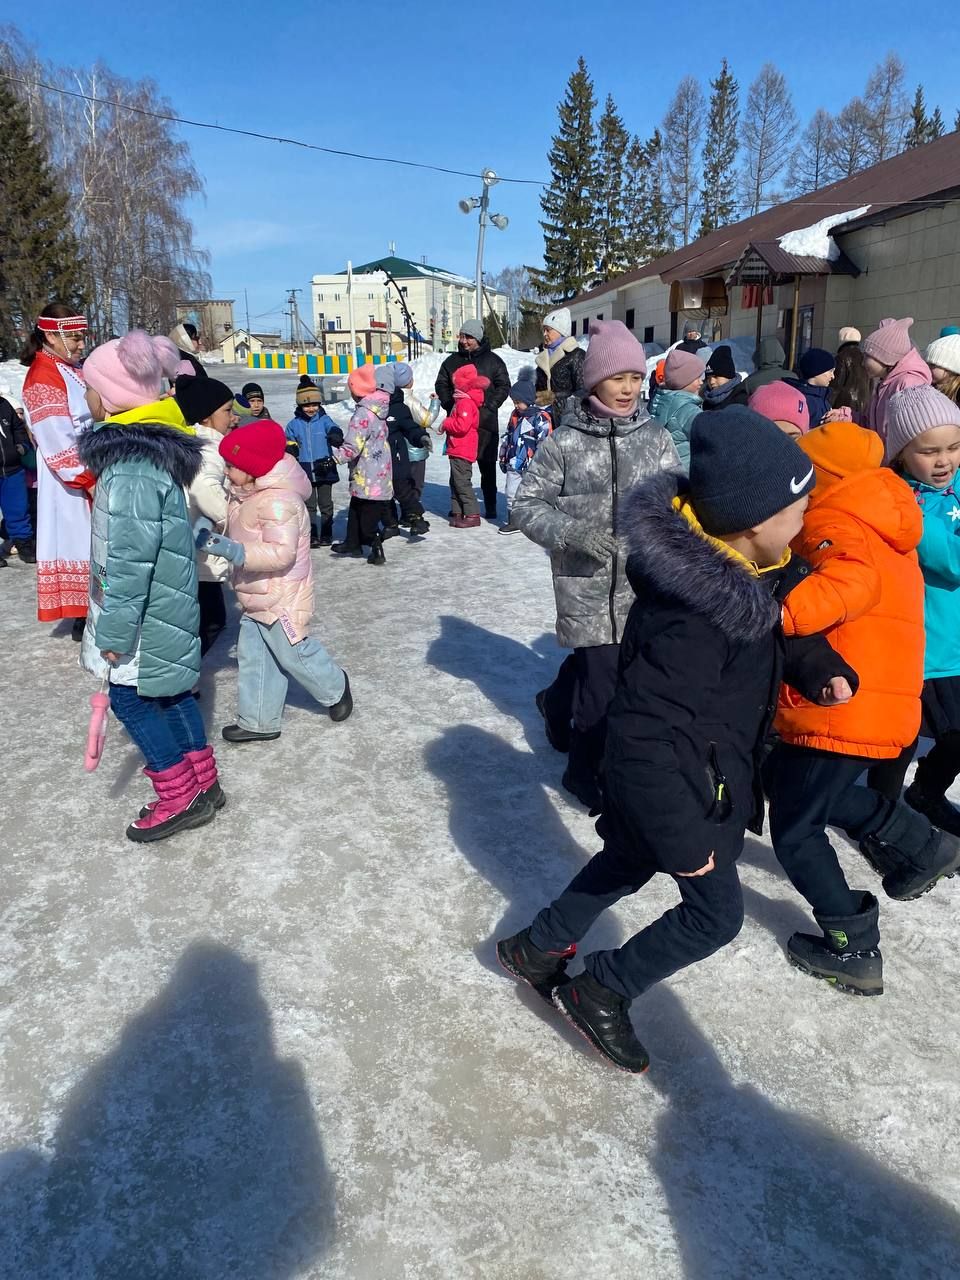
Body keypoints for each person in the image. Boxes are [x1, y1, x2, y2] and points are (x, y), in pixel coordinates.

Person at [497, 409, 847, 1072]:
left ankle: (538, 947)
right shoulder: (695, 618)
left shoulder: (749, 573)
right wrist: (686, 842)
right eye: (799, 510)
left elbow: (779, 634)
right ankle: (601, 990)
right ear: (752, 523)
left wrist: (821, 668)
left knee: (626, 859)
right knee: (714, 917)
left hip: (695, 771)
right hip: (677, 784)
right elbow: (644, 732)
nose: (807, 523)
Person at [765, 418, 960, 997]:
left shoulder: (834, 517)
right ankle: (927, 846)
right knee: (788, 781)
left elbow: (847, 585)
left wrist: (773, 603)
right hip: (882, 695)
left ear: (820, 477)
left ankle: (853, 944)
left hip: (845, 699)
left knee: (795, 831)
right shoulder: (884, 512)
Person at [513, 319, 680, 812]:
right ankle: (583, 771)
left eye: (635, 377)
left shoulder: (655, 438)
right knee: (602, 689)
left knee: (613, 676)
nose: (628, 388)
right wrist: (572, 534)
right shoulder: (564, 442)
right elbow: (525, 505)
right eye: (617, 378)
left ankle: (554, 701)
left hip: (643, 587)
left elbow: (678, 501)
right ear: (594, 382)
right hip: (584, 586)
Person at [77, 331, 221, 844]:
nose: (86, 398)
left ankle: (180, 794)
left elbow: (131, 559)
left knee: (133, 701)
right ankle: (203, 782)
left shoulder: (130, 469)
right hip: (162, 605)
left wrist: (112, 631)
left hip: (142, 615)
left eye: (91, 388)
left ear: (113, 396)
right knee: (172, 693)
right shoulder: (148, 456)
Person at [198, 419, 353, 742]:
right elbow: (241, 527)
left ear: (253, 468)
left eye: (232, 465)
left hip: (283, 594)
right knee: (256, 657)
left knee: (293, 654)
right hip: (255, 592)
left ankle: (335, 687)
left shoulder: (279, 501)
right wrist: (216, 531)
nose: (226, 472)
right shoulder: (245, 494)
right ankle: (259, 720)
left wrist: (233, 550)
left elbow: (281, 554)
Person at [868, 386, 960, 834]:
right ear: (903, 453)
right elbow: (950, 560)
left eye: (954, 447)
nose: (944, 461)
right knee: (901, 737)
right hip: (928, 647)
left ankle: (924, 793)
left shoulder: (956, 487)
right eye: (929, 452)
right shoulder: (908, 503)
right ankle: (880, 816)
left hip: (953, 643)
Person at [20, 303, 93, 637]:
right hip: (69, 483)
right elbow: (56, 439)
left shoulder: (69, 368)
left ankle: (96, 608)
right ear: (50, 335)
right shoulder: (43, 376)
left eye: (81, 337)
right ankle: (85, 615)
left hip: (87, 469)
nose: (81, 344)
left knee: (93, 542)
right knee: (79, 541)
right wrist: (86, 479)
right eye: (74, 338)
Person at [173, 376, 238, 657]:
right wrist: (234, 515)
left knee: (209, 617)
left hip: (192, 544)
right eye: (227, 410)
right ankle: (186, 681)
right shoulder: (209, 449)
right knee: (208, 622)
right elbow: (204, 488)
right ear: (207, 416)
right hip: (200, 548)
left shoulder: (194, 441)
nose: (233, 417)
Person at [435, 318, 510, 519]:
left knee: (487, 467)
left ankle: (491, 505)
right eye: (462, 336)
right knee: (458, 468)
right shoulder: (451, 361)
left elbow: (504, 385)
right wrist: (451, 405)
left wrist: (490, 404)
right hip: (461, 426)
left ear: (478, 337)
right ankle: (458, 507)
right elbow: (441, 384)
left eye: (469, 337)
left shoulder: (493, 360)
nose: (464, 341)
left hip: (485, 423)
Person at [330, 364, 392, 564]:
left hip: (367, 471)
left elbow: (353, 446)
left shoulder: (363, 414)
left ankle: (375, 545)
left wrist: (335, 457)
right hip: (379, 469)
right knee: (357, 506)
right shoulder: (379, 409)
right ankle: (352, 543)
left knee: (366, 515)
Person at [285, 376, 343, 548]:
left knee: (325, 504)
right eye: (307, 405)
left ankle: (326, 532)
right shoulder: (294, 424)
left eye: (314, 404)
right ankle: (312, 534)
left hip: (324, 467)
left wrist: (335, 434)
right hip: (305, 470)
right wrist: (291, 447)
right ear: (300, 406)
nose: (311, 408)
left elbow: (333, 428)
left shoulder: (324, 420)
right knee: (309, 506)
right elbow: (288, 439)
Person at [380, 363, 432, 539]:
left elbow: (414, 425)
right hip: (381, 460)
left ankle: (415, 518)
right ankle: (391, 523)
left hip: (399, 456)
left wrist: (420, 437)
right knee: (385, 493)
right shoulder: (375, 407)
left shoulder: (400, 404)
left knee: (405, 489)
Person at [861, 317, 931, 442]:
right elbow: (871, 423)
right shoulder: (883, 382)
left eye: (867, 355)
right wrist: (846, 416)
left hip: (896, 460)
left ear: (885, 357)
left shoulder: (908, 383)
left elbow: (915, 432)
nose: (862, 362)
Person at [498, 377, 552, 534]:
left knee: (533, 493)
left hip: (533, 464)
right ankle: (513, 520)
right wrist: (503, 456)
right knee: (511, 491)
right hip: (514, 461)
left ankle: (537, 520)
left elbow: (546, 442)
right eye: (514, 401)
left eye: (518, 401)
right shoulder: (515, 415)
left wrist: (543, 463)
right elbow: (508, 436)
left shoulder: (540, 417)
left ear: (528, 399)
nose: (516, 404)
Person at [442, 364, 489, 529]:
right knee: (455, 481)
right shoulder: (461, 400)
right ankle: (458, 510)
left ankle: (472, 514)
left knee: (462, 482)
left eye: (456, 382)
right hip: (456, 447)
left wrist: (447, 423)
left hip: (463, 448)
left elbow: (462, 426)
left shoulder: (465, 403)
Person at [392, 363, 438, 530]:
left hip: (398, 450)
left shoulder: (392, 398)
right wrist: (435, 403)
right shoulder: (409, 400)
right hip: (415, 450)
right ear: (409, 381)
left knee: (400, 482)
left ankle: (398, 514)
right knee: (415, 484)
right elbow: (426, 419)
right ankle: (410, 514)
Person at [650, 348, 706, 467]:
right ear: (684, 380)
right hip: (687, 474)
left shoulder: (659, 399)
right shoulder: (688, 410)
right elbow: (709, 439)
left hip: (664, 471)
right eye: (696, 378)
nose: (701, 382)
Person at [0, 391, 36, 563]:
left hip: (12, 468)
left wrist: (21, 445)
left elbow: (18, 428)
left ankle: (24, 543)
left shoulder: (4, 405)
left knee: (18, 509)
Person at [534, 308, 585, 416]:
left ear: (560, 331)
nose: (544, 334)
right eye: (543, 330)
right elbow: (538, 387)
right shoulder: (543, 358)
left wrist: (555, 398)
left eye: (548, 330)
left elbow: (583, 391)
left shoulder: (576, 355)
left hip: (569, 418)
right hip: (545, 418)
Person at [789, 348, 835, 426]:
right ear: (817, 371)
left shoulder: (823, 396)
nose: (833, 376)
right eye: (830, 371)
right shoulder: (803, 401)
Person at [831, 341, 874, 424]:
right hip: (863, 405)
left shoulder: (841, 357)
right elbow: (871, 383)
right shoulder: (865, 358)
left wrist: (828, 405)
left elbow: (836, 385)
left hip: (844, 406)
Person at [700, 345, 749, 411]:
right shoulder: (706, 400)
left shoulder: (740, 398)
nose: (712, 382)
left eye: (716, 377)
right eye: (708, 378)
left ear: (728, 376)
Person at [923, 334, 960, 405]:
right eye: (926, 364)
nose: (927, 368)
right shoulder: (929, 387)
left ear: (951, 369)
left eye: (933, 365)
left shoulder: (958, 395)